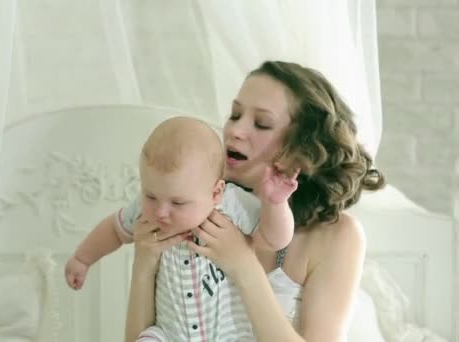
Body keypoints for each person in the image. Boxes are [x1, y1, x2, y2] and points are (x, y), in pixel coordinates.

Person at [124, 61, 385, 342]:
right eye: (235, 115)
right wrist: (144, 262)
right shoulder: (188, 210)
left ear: (301, 148)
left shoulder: (337, 235)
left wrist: (243, 264)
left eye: (261, 123)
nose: (234, 131)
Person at [64, 116, 299, 339]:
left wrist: (275, 203)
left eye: (178, 203)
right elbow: (114, 230)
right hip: (170, 333)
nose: (161, 212)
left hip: (228, 334)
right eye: (151, 196)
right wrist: (83, 259)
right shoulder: (143, 214)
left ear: (215, 193)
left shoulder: (233, 205)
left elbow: (275, 239)